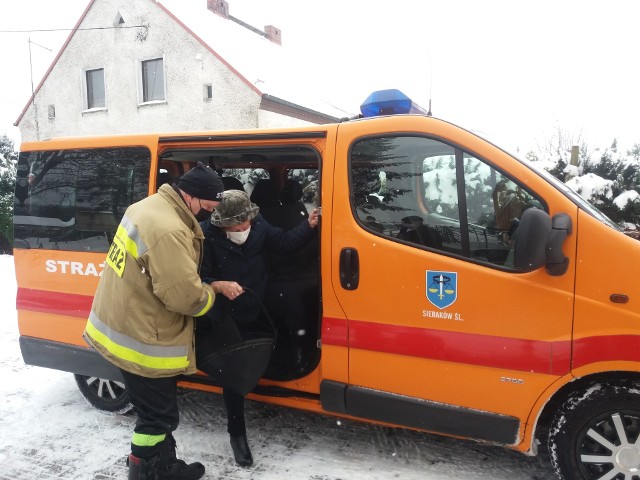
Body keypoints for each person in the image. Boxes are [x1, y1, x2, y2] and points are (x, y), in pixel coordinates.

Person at [83, 162, 225, 480]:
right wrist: (211, 298)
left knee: (158, 412)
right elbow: (183, 297)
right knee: (156, 418)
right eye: (206, 206)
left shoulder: (146, 207)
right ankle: (144, 470)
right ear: (189, 195)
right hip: (141, 337)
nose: (207, 213)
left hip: (124, 320)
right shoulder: (169, 229)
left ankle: (163, 465)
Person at [198, 189, 319, 468]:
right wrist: (217, 285)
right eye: (237, 227)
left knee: (293, 303)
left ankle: (298, 355)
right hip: (225, 308)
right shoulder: (204, 236)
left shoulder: (259, 224)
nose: (244, 230)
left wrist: (309, 225)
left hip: (258, 293)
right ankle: (237, 435)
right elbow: (196, 278)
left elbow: (285, 243)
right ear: (222, 224)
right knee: (235, 374)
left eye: (247, 225)